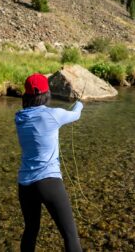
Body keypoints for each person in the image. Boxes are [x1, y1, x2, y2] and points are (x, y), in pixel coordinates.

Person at [15, 73, 83, 252]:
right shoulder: (53, 115)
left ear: (26, 95)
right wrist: (80, 104)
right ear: (47, 94)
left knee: (31, 230)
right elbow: (76, 115)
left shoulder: (19, 118)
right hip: (49, 183)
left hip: (25, 185)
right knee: (70, 235)